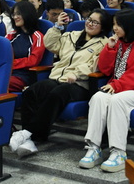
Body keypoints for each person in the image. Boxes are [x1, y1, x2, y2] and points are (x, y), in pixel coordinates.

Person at [10, 9, 112, 157]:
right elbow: (50, 45)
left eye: (95, 22)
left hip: (80, 84)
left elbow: (95, 65)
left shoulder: (104, 44)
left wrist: (77, 73)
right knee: (31, 92)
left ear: (103, 27)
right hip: (58, 77)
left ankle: (26, 133)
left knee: (57, 94)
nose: (90, 24)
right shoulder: (71, 35)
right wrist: (57, 27)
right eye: (89, 19)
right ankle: (33, 139)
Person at [79, 9, 134, 173]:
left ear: (129, 26)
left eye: (118, 25)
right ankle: (94, 148)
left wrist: (117, 85)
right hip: (119, 87)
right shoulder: (118, 43)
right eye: (114, 24)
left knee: (117, 100)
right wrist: (109, 48)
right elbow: (105, 69)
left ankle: (118, 152)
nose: (114, 28)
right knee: (98, 97)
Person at [6, 1, 45, 92]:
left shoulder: (38, 36)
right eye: (14, 14)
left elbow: (33, 61)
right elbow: (0, 50)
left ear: (27, 14)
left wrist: (11, 64)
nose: (15, 17)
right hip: (6, 71)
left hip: (23, 75)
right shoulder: (12, 34)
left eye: (18, 14)